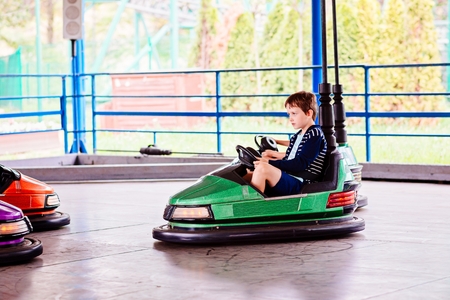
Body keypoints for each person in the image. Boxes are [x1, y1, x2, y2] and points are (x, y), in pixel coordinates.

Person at [248, 91, 327, 196]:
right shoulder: (300, 134)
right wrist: (271, 154)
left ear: (309, 113)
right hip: (292, 176)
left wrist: (268, 162)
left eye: (294, 113)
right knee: (248, 173)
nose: (290, 119)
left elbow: (299, 164)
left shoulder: (315, 134)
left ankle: (252, 208)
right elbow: (291, 152)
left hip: (302, 182)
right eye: (289, 114)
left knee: (263, 168)